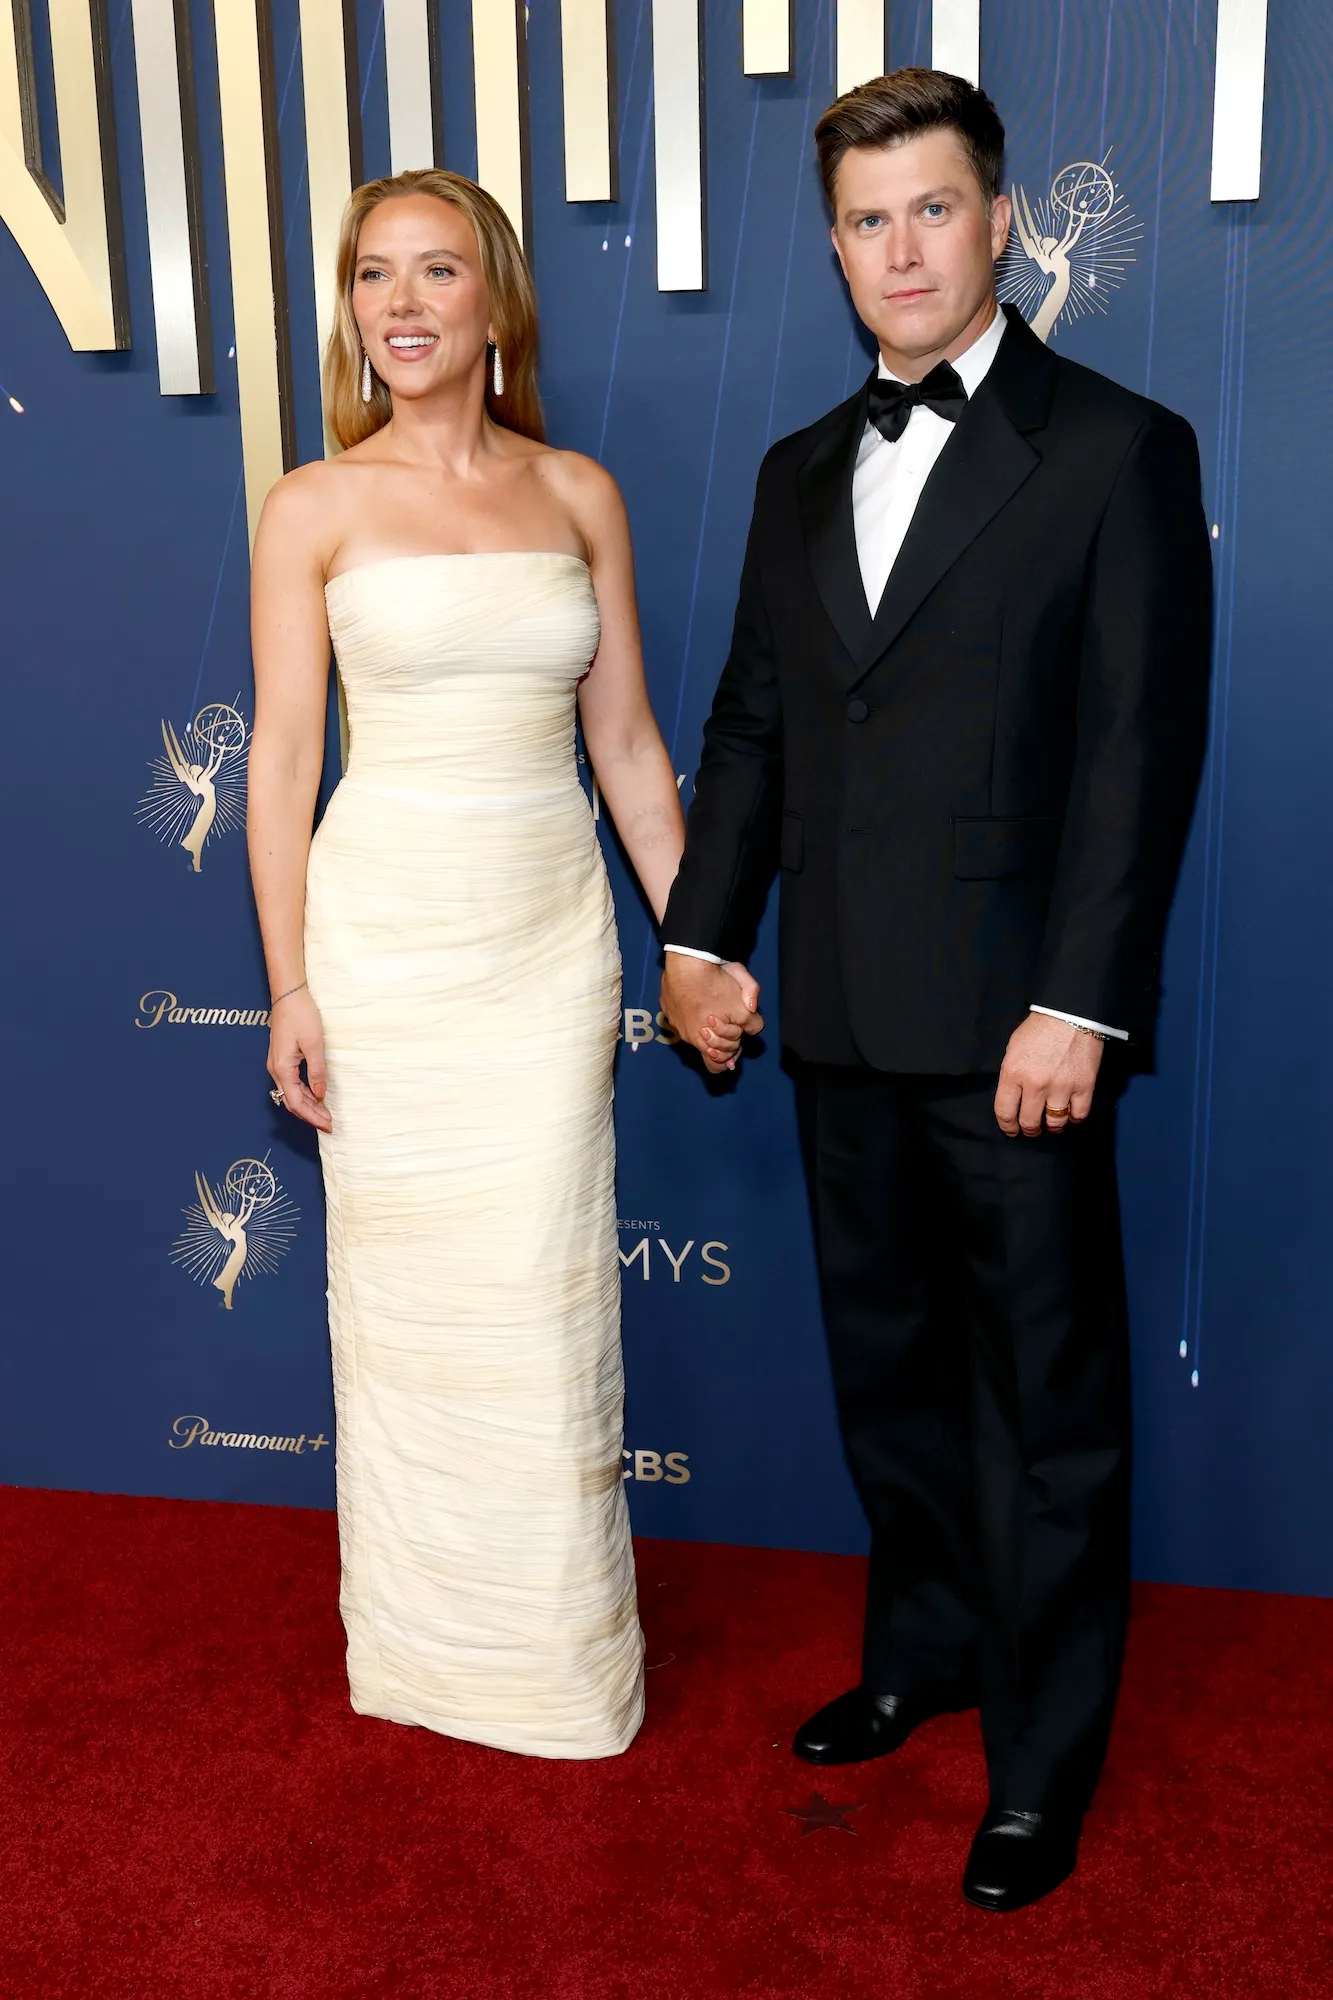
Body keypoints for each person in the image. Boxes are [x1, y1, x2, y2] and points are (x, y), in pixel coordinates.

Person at [661, 71, 1212, 1906]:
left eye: (933, 208)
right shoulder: (794, 469)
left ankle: (1044, 1761)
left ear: (1001, 220)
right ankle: (926, 1652)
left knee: (1045, 1406)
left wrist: (1083, 1001)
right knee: (889, 1373)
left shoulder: (1119, 447)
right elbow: (755, 724)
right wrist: (700, 937)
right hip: (833, 1011)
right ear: (834, 249)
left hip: (1017, 1028)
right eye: (866, 220)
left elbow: (1138, 753)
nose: (901, 250)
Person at [246, 168, 752, 1759]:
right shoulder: (311, 506)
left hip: (541, 945)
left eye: (437, 271)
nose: (401, 304)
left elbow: (630, 748)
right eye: (373, 275)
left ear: (496, 302)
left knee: (538, 1298)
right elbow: (281, 760)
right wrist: (290, 985)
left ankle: (553, 1663)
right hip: (384, 944)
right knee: (408, 1308)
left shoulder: (579, 493)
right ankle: (426, 1651)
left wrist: (693, 940)